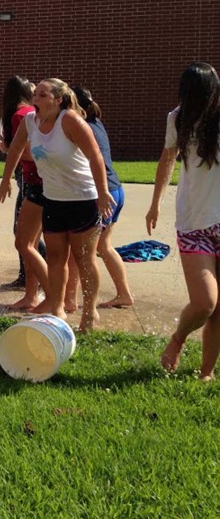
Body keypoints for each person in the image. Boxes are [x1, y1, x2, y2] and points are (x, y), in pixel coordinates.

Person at [0, 79, 114, 332]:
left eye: (42, 94)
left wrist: (102, 191)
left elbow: (95, 156)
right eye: (35, 94)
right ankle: (57, 308)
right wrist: (6, 179)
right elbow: (15, 147)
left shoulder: (69, 120)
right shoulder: (31, 122)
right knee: (56, 257)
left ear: (57, 99)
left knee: (84, 259)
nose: (35, 99)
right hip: (53, 199)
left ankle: (90, 313)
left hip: (82, 199)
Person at [147, 62, 220, 381]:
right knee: (205, 302)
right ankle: (178, 340)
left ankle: (206, 373)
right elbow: (168, 160)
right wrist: (155, 204)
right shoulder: (178, 118)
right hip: (193, 221)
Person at [63, 85, 133, 311]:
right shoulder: (96, 123)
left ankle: (70, 300)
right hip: (115, 189)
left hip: (100, 193)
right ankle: (124, 293)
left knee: (79, 250)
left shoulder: (82, 127)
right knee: (104, 246)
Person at [0, 76, 47, 310]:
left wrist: (10, 155)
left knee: (27, 240)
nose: (35, 97)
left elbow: (29, 153)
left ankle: (47, 294)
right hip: (37, 181)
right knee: (29, 239)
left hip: (35, 183)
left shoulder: (21, 116)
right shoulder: (28, 114)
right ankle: (35, 293)